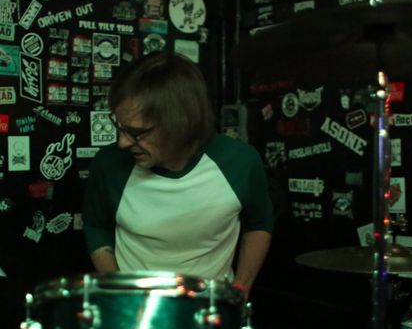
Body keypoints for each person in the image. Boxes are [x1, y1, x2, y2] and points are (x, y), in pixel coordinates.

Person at [82, 52, 273, 299]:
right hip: (134, 309)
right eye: (120, 127)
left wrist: (240, 289)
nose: (123, 142)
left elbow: (259, 224)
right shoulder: (109, 164)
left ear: (181, 125)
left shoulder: (240, 162)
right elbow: (96, 226)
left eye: (137, 132)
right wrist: (120, 290)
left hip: (209, 309)